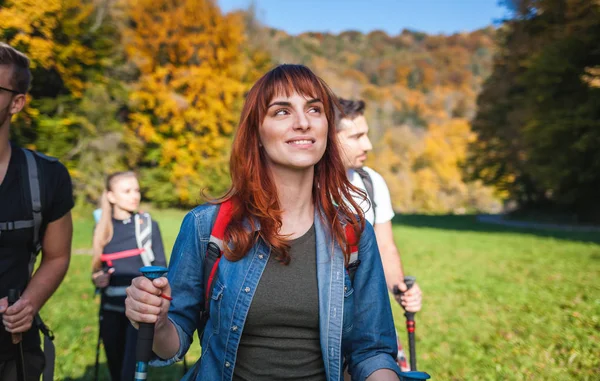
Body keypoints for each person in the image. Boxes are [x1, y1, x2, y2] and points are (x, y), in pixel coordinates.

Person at [125, 64, 403, 381]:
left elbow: (373, 351)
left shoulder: (353, 232)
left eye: (314, 109)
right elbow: (171, 343)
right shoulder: (206, 228)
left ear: (327, 126)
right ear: (256, 132)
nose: (303, 123)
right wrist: (157, 321)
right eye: (282, 112)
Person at [0, 43, 73, 380]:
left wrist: (27, 306)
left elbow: (57, 256)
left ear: (16, 102)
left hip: (13, 351)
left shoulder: (46, 176)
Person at [335, 98, 423, 371]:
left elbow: (385, 247)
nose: (368, 145)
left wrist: (400, 289)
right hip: (324, 322)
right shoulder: (305, 186)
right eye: (356, 136)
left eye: (367, 134)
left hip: (370, 319)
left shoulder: (371, 182)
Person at [91, 171, 167, 381]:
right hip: (110, 311)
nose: (135, 195)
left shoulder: (148, 226)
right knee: (116, 374)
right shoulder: (101, 229)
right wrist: (97, 278)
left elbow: (161, 266)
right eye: (127, 191)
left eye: (137, 190)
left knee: (131, 375)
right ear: (111, 196)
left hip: (139, 314)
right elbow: (97, 270)